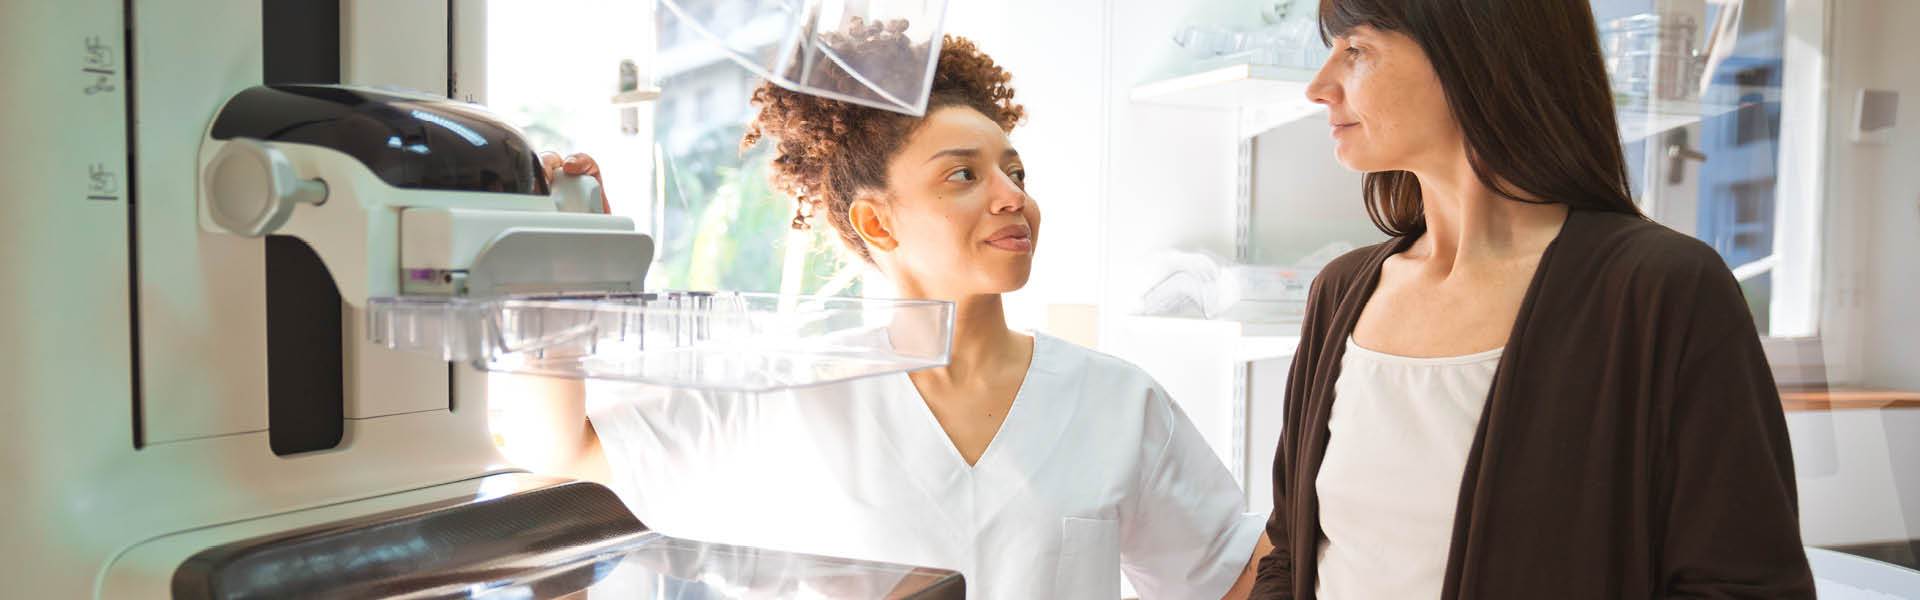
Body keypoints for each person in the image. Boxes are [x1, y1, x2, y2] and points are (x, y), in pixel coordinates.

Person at [528, 31, 1267, 599]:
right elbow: (569, 460)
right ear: (878, 225)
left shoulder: (1115, 402)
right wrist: (560, 269)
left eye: (1015, 170)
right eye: (963, 175)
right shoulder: (794, 394)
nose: (1011, 195)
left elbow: (1225, 579)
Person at [1250, 1, 1814, 598]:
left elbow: (1743, 586)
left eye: (1356, 50)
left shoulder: (1661, 292)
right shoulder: (1340, 293)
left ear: (1473, 53)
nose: (1318, 87)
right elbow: (1290, 553)